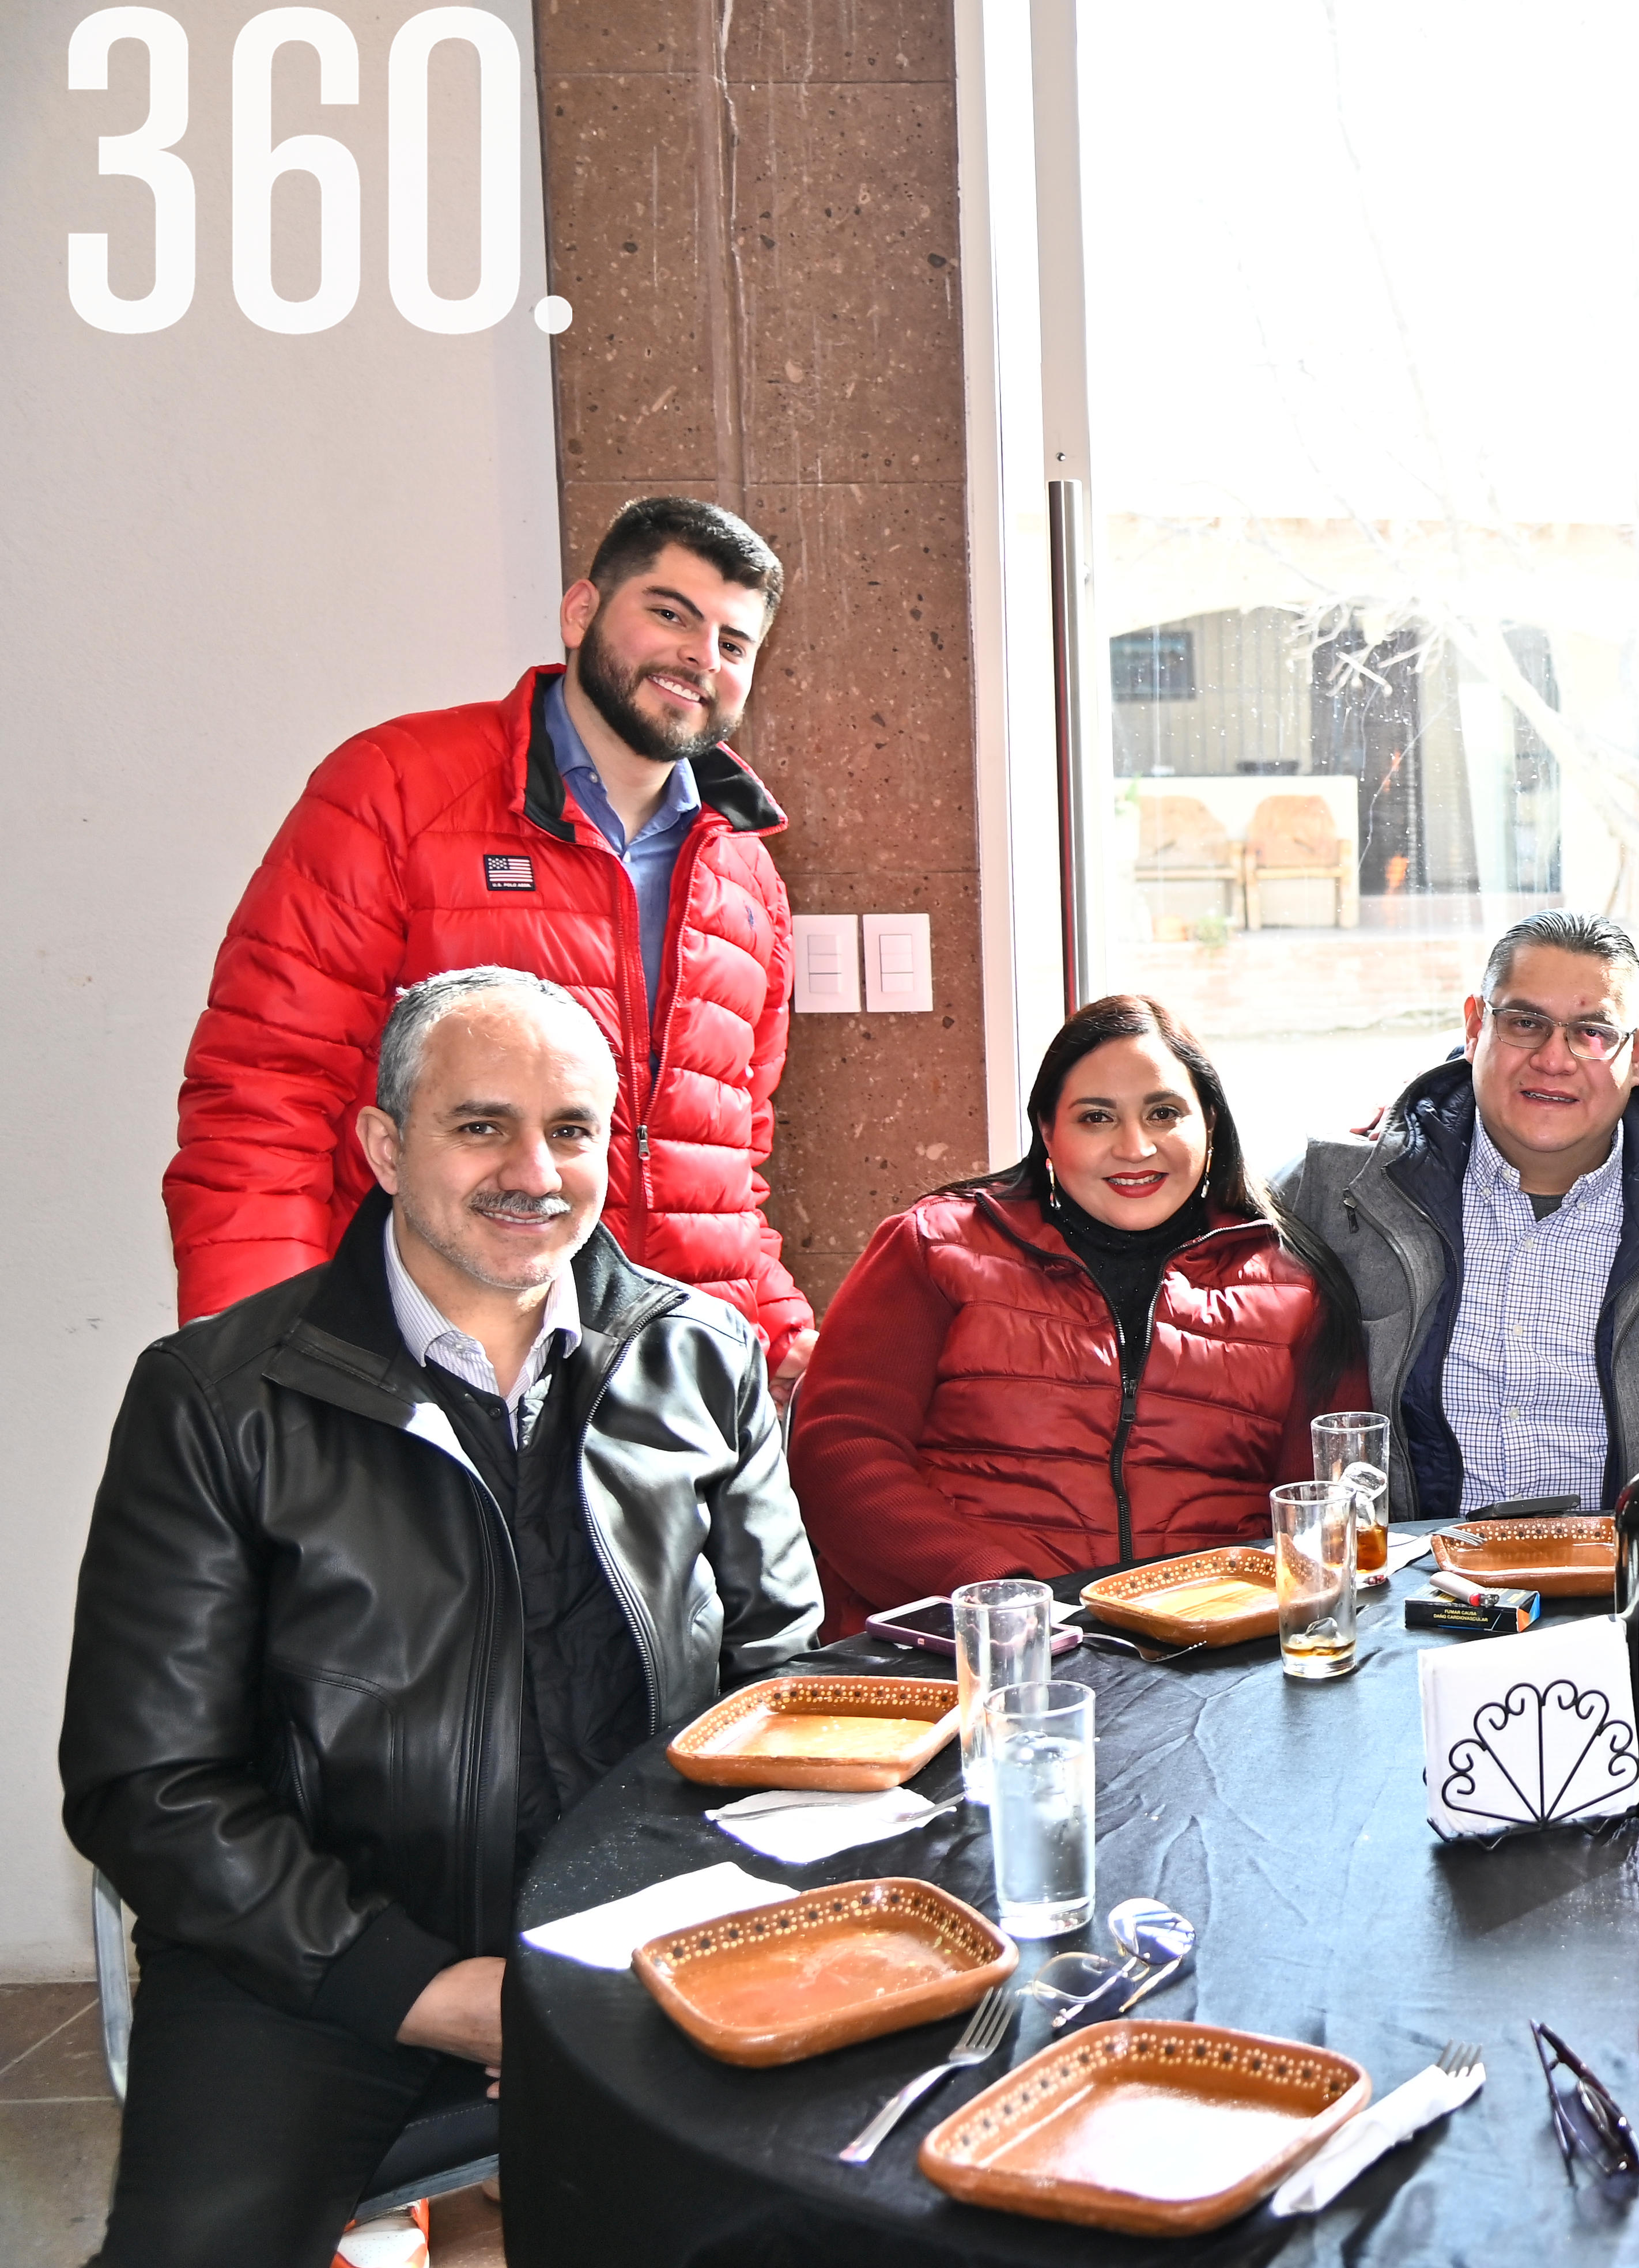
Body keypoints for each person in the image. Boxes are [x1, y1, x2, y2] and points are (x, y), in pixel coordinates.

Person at [63, 969, 818, 2267]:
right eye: (483, 1124)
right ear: (382, 1144)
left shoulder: (701, 1356)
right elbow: (150, 1782)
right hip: (313, 1959)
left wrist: (699, 1931)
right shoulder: (216, 1399)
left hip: (647, 1936)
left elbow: (784, 1686)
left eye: (573, 1129)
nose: (536, 1169)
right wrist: (433, 1991)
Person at [167, 496, 819, 1389]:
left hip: (657, 1380)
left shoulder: (747, 876)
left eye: (734, 644)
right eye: (670, 613)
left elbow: (728, 1159)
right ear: (581, 613)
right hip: (419, 1352)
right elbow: (264, 1093)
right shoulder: (396, 790)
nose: (701, 656)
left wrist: (773, 1334)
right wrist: (258, 1356)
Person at [791, 996, 1365, 1635]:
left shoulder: (1295, 1286)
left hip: (1203, 1661)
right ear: (1046, 1131)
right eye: (1096, 1117)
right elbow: (839, 1453)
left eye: (1164, 1112)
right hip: (969, 1651)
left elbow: (1317, 1513)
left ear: (1209, 1123)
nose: (1135, 1146)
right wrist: (1001, 1596)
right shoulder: (935, 1246)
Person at [1280, 910, 1639, 1517]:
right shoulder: (1340, 1189)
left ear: (1636, 1054)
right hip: (1407, 1592)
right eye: (1525, 1023)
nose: (1554, 1059)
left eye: (1591, 1032)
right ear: (1476, 1027)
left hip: (1635, 1588)